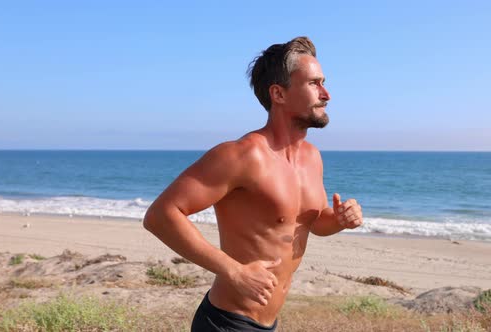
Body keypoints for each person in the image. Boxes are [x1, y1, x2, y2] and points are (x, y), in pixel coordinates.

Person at [143, 36, 363, 332]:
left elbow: (311, 222)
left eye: (324, 82)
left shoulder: (312, 158)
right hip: (227, 322)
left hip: (268, 323)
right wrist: (233, 271)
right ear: (279, 94)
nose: (326, 94)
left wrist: (337, 220)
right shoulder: (241, 156)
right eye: (314, 83)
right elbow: (161, 215)